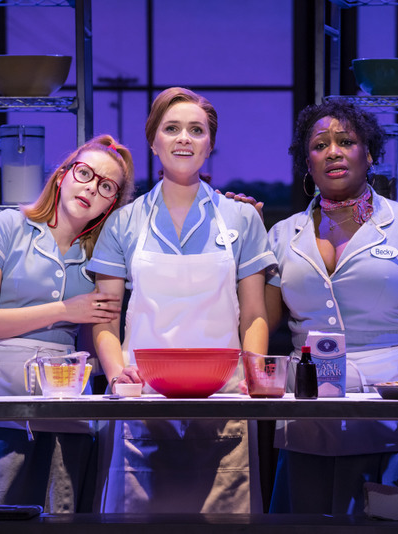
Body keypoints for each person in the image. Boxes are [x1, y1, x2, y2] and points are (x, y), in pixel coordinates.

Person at [265, 100, 398, 514]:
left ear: (370, 153)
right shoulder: (282, 235)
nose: (333, 152)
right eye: (319, 145)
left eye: (346, 141)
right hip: (312, 412)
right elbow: (260, 320)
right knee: (307, 522)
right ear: (307, 161)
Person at [87, 87, 276, 513]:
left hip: (225, 399)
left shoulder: (242, 217)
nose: (184, 138)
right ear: (153, 142)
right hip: (143, 399)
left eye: (197, 130)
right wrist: (117, 376)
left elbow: (254, 314)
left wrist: (253, 374)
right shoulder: (123, 222)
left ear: (210, 144)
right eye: (171, 129)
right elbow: (105, 318)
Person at [0, 134, 135, 514]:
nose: (92, 187)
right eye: (85, 173)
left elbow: (99, 335)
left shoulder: (101, 255)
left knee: (60, 517)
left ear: (112, 204)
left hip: (66, 409)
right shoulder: (9, 225)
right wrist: (63, 310)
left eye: (107, 186)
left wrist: (116, 372)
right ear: (62, 175)